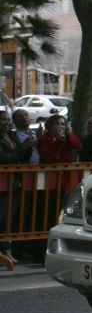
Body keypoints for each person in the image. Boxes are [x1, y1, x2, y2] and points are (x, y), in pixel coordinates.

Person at [0, 110, 31, 265]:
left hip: (14, 183)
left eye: (7, 120)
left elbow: (22, 156)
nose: (6, 123)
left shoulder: (12, 136)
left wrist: (29, 147)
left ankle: (6, 250)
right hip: (2, 184)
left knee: (8, 218)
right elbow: (5, 158)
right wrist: (23, 148)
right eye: (2, 120)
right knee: (1, 217)